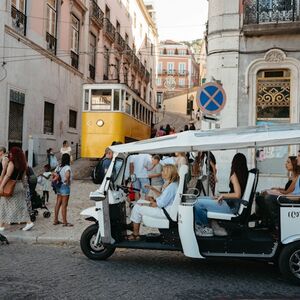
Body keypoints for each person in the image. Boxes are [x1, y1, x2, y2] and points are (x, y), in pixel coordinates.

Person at [194, 153, 249, 237]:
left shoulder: (234, 175)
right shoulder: (245, 175)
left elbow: (237, 194)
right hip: (233, 204)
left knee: (197, 203)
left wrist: (223, 196)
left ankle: (204, 227)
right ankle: (209, 225)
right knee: (200, 199)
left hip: (231, 207)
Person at [128, 164, 179, 240]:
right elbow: (163, 196)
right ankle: (133, 225)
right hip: (166, 209)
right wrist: (152, 189)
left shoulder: (171, 187)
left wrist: (150, 204)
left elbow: (160, 204)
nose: (162, 172)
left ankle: (135, 234)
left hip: (164, 212)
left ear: (168, 173)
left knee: (137, 207)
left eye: (163, 171)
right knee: (140, 203)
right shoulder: (173, 184)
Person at [256, 156, 300, 228]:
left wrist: (274, 193)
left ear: (294, 164)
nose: (285, 164)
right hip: (291, 197)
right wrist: (276, 189)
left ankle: (278, 226)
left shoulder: (297, 177)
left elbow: (288, 192)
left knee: (269, 198)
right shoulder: (292, 176)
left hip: (294, 201)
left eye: (288, 162)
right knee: (260, 198)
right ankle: (265, 220)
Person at [0, 147, 34, 231]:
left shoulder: (12, 163)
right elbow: (23, 178)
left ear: (14, 154)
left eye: (11, 153)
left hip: (11, 186)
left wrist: (1, 186)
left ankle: (1, 225)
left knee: (4, 204)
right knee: (21, 206)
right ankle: (28, 222)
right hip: (19, 186)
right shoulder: (23, 164)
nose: (10, 154)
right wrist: (24, 187)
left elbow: (8, 176)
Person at [53, 153, 73, 226]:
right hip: (64, 187)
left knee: (58, 203)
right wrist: (67, 182)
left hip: (59, 186)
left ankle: (55, 220)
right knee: (64, 205)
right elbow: (67, 175)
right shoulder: (67, 167)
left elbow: (54, 173)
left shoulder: (58, 167)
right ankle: (65, 222)